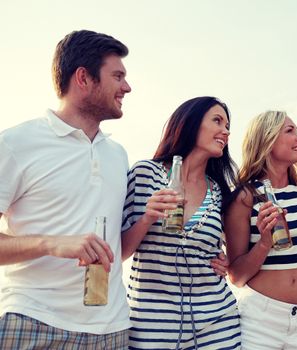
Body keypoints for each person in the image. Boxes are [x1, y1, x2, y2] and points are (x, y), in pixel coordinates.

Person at [0, 30, 132, 348]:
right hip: (34, 323)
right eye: (117, 76)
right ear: (83, 78)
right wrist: (51, 243)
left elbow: (118, 246)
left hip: (111, 331)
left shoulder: (118, 155)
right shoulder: (15, 144)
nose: (127, 87)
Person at [121, 96, 241, 349]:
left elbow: (232, 251)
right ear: (191, 123)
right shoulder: (146, 173)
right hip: (151, 324)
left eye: (228, 125)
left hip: (217, 321)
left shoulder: (219, 191)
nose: (226, 131)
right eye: (217, 121)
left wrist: (227, 262)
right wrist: (147, 217)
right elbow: (120, 251)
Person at [225, 111, 297, 350]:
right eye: (290, 131)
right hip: (261, 319)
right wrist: (264, 243)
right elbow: (236, 276)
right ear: (268, 140)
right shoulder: (244, 197)